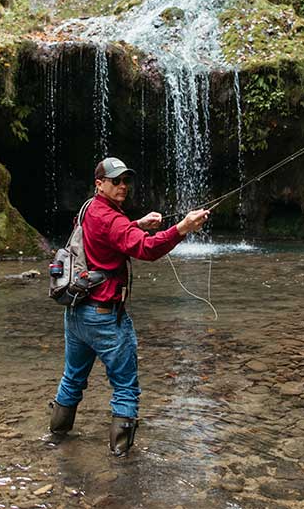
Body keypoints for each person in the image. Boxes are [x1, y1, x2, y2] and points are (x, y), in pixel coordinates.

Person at [48, 157, 210, 456]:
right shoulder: (113, 219)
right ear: (100, 183)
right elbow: (147, 249)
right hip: (105, 315)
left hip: (76, 313)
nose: (122, 186)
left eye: (125, 180)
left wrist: (136, 224)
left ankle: (57, 438)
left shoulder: (89, 209)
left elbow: (104, 237)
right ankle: (121, 459)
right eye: (115, 181)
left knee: (72, 378)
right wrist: (183, 228)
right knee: (125, 387)